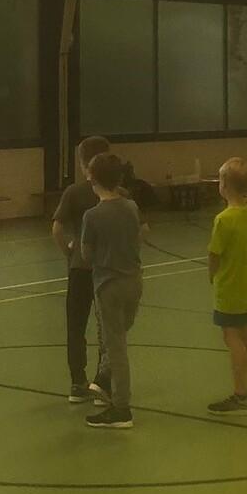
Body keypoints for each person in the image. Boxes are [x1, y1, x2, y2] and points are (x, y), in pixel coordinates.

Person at [80, 152, 143, 430]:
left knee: (116, 346)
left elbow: (86, 253)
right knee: (118, 337)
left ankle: (121, 407)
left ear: (92, 179)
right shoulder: (131, 207)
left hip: (109, 285)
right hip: (134, 281)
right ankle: (104, 382)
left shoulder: (92, 216)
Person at [52, 135, 113, 403]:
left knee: (75, 326)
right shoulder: (118, 193)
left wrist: (68, 251)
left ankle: (78, 382)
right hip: (107, 270)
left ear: (83, 163)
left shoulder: (74, 192)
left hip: (79, 268)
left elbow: (56, 228)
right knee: (107, 328)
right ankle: (104, 382)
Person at [205, 157, 247, 415]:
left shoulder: (224, 219)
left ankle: (240, 395)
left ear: (225, 185)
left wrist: (212, 276)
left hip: (229, 288)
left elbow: (214, 254)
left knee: (232, 339)